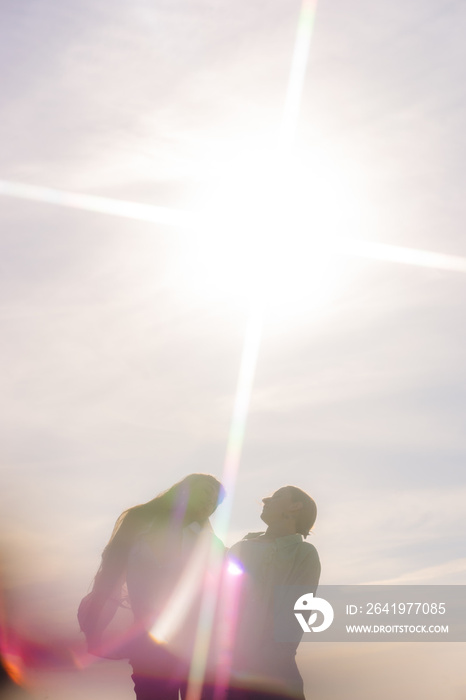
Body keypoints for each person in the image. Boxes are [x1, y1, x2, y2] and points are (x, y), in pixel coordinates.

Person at [80, 473, 225, 700]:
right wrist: (95, 628)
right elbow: (110, 574)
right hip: (147, 642)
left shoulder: (207, 540)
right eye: (206, 492)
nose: (210, 502)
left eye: (216, 502)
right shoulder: (139, 521)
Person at [223, 486, 320, 700]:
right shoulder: (240, 547)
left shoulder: (304, 552)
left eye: (277, 497)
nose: (267, 500)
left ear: (296, 506)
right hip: (230, 668)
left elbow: (297, 612)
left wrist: (271, 660)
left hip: (274, 672)